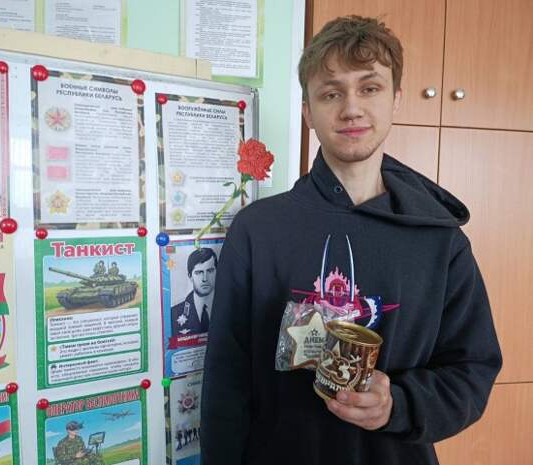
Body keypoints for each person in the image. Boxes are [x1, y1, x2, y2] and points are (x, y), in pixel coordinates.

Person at [200, 15, 502, 465]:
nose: (351, 109)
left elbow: (472, 370)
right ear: (308, 111)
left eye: (370, 88)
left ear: (396, 99)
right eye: (331, 93)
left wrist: (397, 404)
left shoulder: (441, 240)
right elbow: (225, 382)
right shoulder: (257, 230)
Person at [171, 248, 217, 336]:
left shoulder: (230, 306)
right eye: (199, 272)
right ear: (190, 276)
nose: (205, 279)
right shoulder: (173, 314)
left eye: (210, 271)